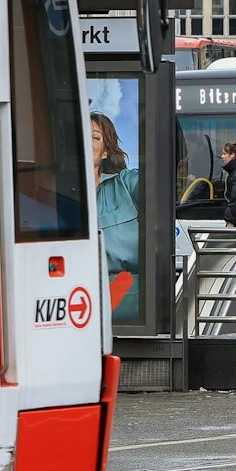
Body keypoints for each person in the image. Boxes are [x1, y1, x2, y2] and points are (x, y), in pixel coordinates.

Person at [91, 113, 142, 323]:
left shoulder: (126, 184)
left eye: (94, 137)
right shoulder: (50, 193)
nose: (85, 141)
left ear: (105, 152)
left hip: (122, 300)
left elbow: (158, 186)